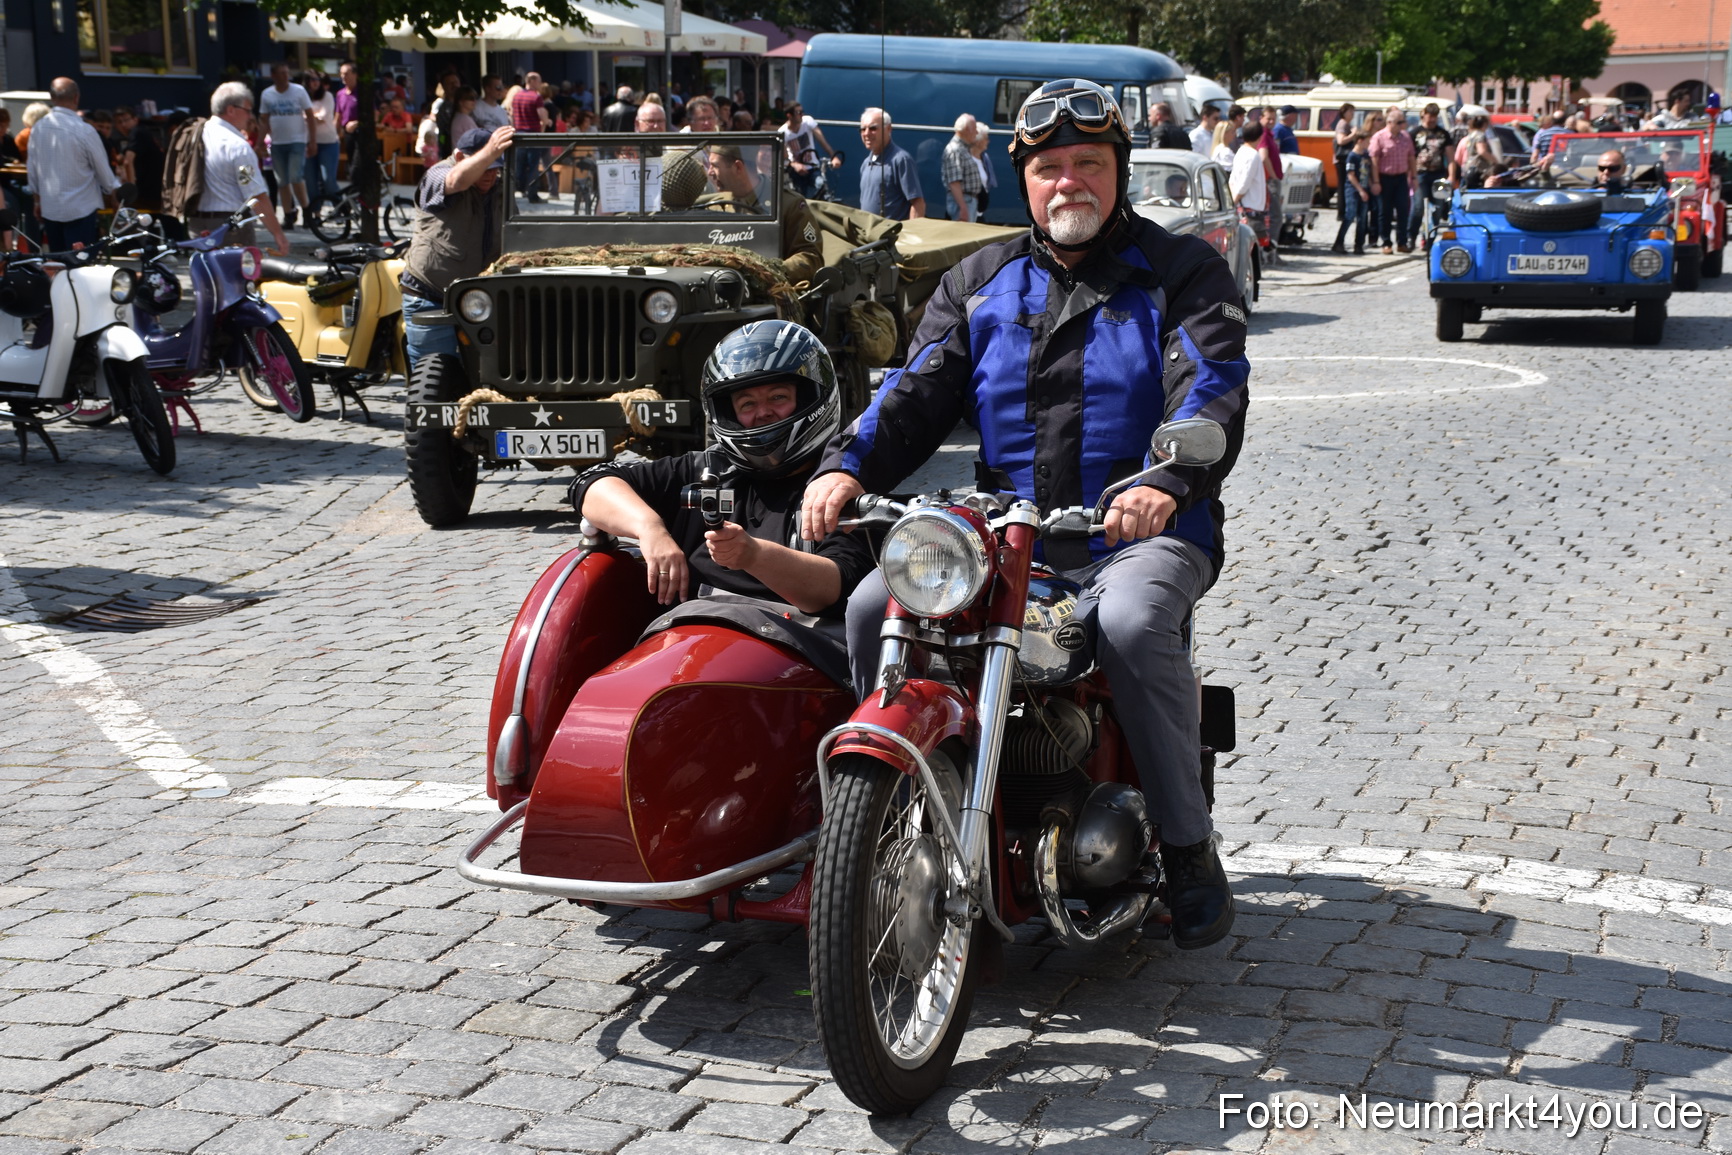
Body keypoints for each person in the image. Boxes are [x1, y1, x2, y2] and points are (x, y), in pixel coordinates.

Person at [803, 78, 1247, 951]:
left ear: (1118, 172)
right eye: (1050, 168)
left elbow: (1211, 385)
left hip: (1143, 528)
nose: (1069, 182)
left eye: (1089, 163)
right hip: (1005, 534)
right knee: (869, 607)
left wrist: (1165, 479)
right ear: (1026, 181)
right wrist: (846, 466)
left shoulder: (1182, 271)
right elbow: (911, 392)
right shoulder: (978, 279)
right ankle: (887, 816)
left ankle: (1190, 851)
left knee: (1126, 623)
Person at [571, 321, 873, 686]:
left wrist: (753, 556)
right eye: (747, 404)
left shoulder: (837, 485)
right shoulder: (706, 469)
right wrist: (649, 529)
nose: (762, 413)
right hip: (679, 653)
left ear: (810, 398)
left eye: (778, 397)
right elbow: (592, 483)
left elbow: (834, 588)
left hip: (797, 660)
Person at [401, 126, 513, 364]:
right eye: (484, 166)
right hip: (430, 295)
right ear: (460, 157)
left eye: (496, 168)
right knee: (435, 379)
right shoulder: (438, 173)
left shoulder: (500, 187)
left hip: (478, 302)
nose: (490, 174)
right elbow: (456, 180)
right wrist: (490, 151)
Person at [697, 142, 824, 283]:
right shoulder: (716, 205)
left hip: (773, 294)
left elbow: (811, 257)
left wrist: (769, 272)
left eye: (715, 166)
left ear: (738, 167)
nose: (710, 172)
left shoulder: (787, 204)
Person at [194, 81, 290, 255]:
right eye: (247, 110)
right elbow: (256, 195)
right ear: (231, 110)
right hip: (232, 227)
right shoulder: (238, 146)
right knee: (239, 280)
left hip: (196, 225)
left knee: (206, 279)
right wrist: (278, 235)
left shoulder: (194, 136)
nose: (250, 116)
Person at [26, 78, 122, 251]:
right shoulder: (84, 130)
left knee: (58, 263)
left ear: (52, 97)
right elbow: (103, 170)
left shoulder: (38, 128)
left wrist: (37, 201)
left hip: (51, 206)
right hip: (81, 208)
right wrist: (114, 193)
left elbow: (32, 169)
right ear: (76, 98)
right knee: (79, 265)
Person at [260, 61, 317, 229]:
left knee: (295, 176)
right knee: (282, 181)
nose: (286, 76)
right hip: (277, 142)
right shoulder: (267, 94)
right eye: (282, 73)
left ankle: (306, 211)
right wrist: (260, 143)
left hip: (297, 140)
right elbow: (263, 120)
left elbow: (310, 116)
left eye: (287, 73)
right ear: (274, 76)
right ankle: (288, 214)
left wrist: (312, 141)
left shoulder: (298, 91)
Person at [858, 107, 924, 220]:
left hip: (892, 236)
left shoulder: (901, 160)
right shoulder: (866, 163)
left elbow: (918, 203)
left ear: (888, 129)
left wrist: (911, 234)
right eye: (863, 129)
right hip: (869, 235)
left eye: (873, 128)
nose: (867, 133)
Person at [1368, 104, 1417, 253]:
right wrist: (1375, 181)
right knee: (1385, 211)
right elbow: (1374, 161)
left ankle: (1402, 242)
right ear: (1390, 123)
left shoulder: (1406, 137)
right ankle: (1386, 242)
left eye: (1403, 122)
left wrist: (1413, 177)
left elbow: (1411, 157)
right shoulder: (1379, 137)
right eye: (1400, 122)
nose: (1404, 125)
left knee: (1403, 210)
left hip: (1401, 178)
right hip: (1384, 178)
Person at [1409, 104, 1451, 243]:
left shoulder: (1443, 134)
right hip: (1420, 174)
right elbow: (1409, 156)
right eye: (1430, 115)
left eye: (1435, 116)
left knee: (1438, 207)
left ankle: (1429, 238)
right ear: (1424, 114)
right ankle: (1411, 236)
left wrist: (1451, 176)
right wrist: (1411, 174)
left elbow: (1451, 156)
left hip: (1439, 175)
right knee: (1418, 207)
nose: (1432, 119)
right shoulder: (1415, 132)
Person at [781, 101, 840, 198]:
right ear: (789, 115)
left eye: (802, 111)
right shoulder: (783, 132)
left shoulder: (807, 121)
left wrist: (834, 157)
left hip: (813, 167)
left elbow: (822, 141)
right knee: (800, 199)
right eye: (798, 113)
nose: (801, 115)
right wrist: (795, 165)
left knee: (822, 187)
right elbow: (784, 158)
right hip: (797, 172)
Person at [113, 106, 164, 211]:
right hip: (155, 189)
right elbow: (121, 158)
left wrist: (131, 191)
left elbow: (128, 161)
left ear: (135, 119)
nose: (123, 124)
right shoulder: (139, 133)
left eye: (126, 120)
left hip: (149, 191)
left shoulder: (137, 133)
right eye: (119, 122)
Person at [1332, 130, 1371, 254]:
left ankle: (1358, 244)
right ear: (1360, 141)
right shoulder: (1352, 156)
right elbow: (1351, 175)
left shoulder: (1365, 155)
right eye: (1367, 141)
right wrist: (1360, 190)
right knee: (1350, 215)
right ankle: (1339, 242)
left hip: (1364, 189)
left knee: (1362, 218)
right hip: (1353, 190)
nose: (1369, 144)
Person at [305, 73, 341, 210]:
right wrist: (313, 117)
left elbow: (323, 117)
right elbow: (306, 117)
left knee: (328, 180)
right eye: (311, 79)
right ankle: (315, 214)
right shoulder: (303, 97)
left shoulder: (327, 96)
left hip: (328, 143)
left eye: (317, 80)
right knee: (311, 181)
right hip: (308, 142)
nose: (314, 82)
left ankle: (340, 209)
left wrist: (308, 117)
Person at [1229, 121, 1269, 239]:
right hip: (1250, 208)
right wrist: (1234, 202)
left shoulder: (1240, 151)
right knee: (1251, 247)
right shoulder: (1253, 154)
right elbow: (1244, 183)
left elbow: (1233, 179)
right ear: (1260, 136)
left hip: (1242, 206)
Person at [512, 73, 548, 202]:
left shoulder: (517, 96)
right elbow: (542, 117)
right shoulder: (536, 97)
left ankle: (518, 190)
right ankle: (532, 195)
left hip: (519, 135)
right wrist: (546, 123)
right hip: (533, 134)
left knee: (519, 165)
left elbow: (512, 115)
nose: (540, 84)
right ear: (532, 81)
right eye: (539, 81)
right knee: (533, 166)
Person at [942, 113, 984, 221]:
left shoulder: (963, 148)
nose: (977, 132)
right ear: (966, 130)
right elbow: (954, 182)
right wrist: (962, 207)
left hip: (968, 201)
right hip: (963, 202)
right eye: (974, 128)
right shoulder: (954, 149)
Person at [1331, 102, 1356, 217]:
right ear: (1344, 112)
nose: (1352, 114)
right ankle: (1342, 212)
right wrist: (1353, 134)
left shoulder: (1346, 124)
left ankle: (1343, 211)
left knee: (1344, 184)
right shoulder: (1343, 124)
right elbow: (1341, 140)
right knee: (1342, 185)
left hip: (1342, 158)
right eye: (1350, 111)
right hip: (1342, 159)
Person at [969, 122, 998, 215]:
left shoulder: (984, 158)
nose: (988, 141)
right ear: (978, 141)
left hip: (979, 210)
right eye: (986, 138)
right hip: (969, 209)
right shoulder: (967, 160)